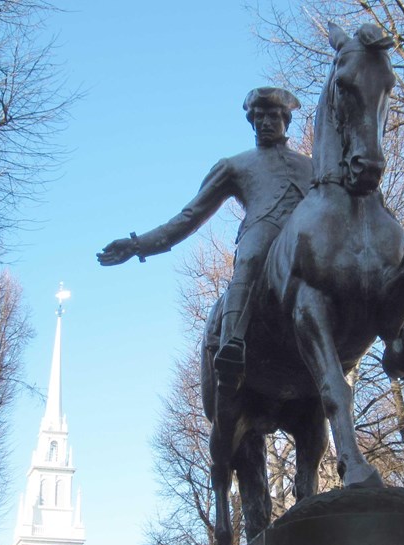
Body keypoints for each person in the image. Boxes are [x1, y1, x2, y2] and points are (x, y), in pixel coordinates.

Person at [97, 87, 313, 389]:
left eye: (273, 115)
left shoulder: (312, 166)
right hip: (262, 232)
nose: (265, 122)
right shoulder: (234, 166)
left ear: (286, 120)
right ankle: (232, 341)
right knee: (251, 256)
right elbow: (190, 217)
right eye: (258, 116)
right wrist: (137, 245)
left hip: (307, 240)